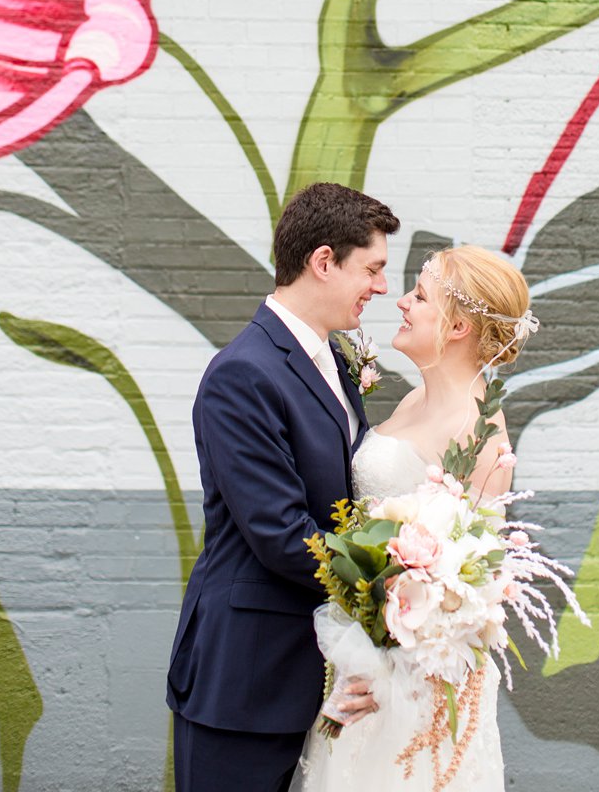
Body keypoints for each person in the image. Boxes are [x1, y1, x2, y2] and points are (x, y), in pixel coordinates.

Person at [166, 181, 400, 792]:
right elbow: (278, 532)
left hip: (319, 670)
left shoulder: (336, 361)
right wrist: (397, 583)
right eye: (371, 268)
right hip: (246, 677)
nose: (380, 286)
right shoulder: (244, 373)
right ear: (324, 261)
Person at [293, 244, 535, 792]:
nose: (401, 301)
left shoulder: (480, 435)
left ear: (458, 328)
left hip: (415, 689)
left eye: (420, 296)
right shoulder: (410, 405)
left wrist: (386, 665)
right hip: (367, 666)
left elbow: (469, 587)